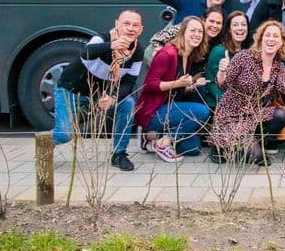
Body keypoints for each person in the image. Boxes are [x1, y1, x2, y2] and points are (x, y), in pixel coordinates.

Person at [52, 10, 144, 171]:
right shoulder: (101, 39)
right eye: (126, 24)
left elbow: (129, 82)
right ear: (117, 24)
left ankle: (119, 154)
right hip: (71, 91)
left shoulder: (137, 51)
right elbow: (85, 53)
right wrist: (111, 46)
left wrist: (113, 97)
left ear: (140, 30)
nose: (130, 28)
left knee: (128, 103)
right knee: (64, 135)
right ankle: (44, 141)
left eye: (135, 25)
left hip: (99, 96)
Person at [211, 20, 285, 164]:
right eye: (267, 35)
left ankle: (252, 141)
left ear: (282, 42)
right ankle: (220, 146)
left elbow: (284, 88)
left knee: (280, 115)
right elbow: (222, 83)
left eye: (275, 36)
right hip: (232, 115)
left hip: (255, 114)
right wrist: (222, 71)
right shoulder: (244, 56)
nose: (271, 39)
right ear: (261, 39)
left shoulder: (278, 65)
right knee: (256, 157)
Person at [135, 16, 211, 162]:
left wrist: (193, 85)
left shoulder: (188, 56)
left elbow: (177, 90)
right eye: (192, 30)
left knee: (192, 148)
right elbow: (150, 85)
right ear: (183, 32)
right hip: (152, 112)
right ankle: (163, 142)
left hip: (167, 107)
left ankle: (150, 136)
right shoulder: (167, 53)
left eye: (200, 32)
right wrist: (178, 83)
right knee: (202, 111)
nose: (197, 34)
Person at [205, 10, 250, 109]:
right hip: (218, 104)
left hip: (242, 105)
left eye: (243, 25)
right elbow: (211, 83)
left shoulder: (248, 53)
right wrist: (230, 104)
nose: (240, 28)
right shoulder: (219, 51)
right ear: (229, 29)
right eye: (235, 25)